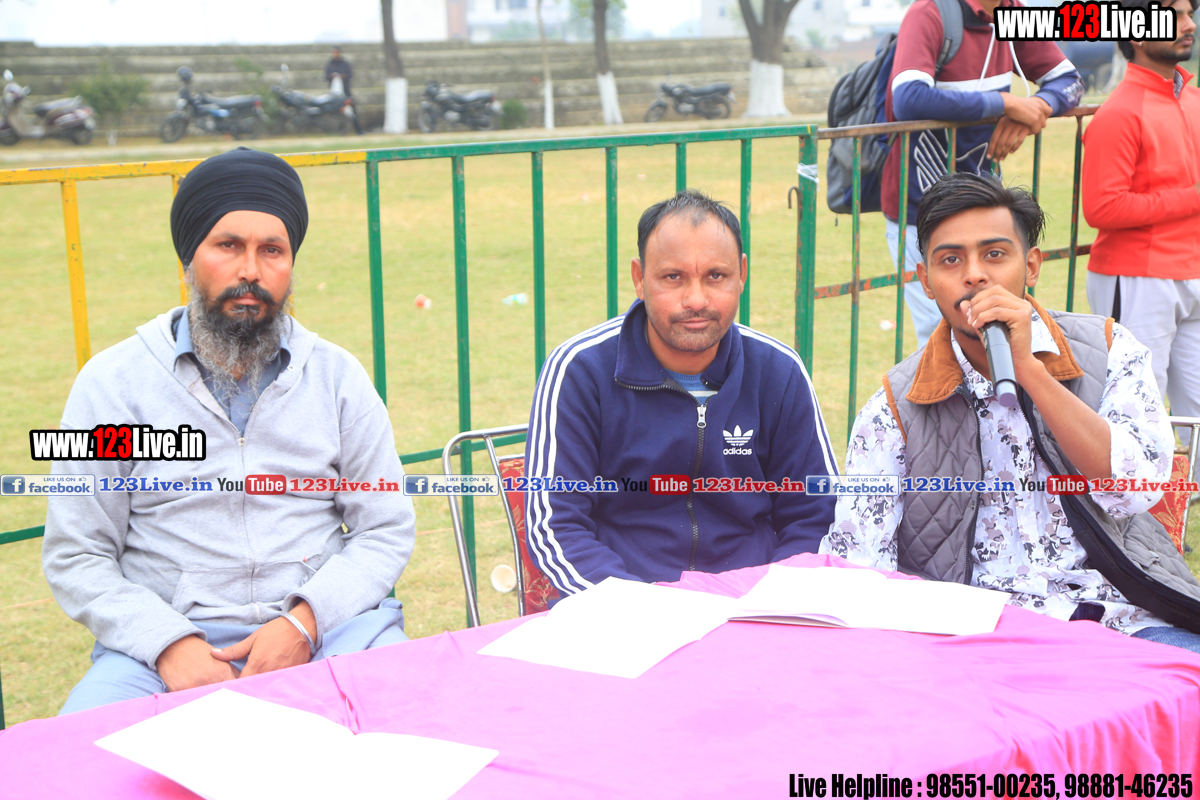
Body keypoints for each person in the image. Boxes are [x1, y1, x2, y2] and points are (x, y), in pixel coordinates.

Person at [43, 148, 416, 713]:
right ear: (189, 259)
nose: (251, 271)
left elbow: (384, 526)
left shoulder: (336, 377)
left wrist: (304, 623)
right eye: (228, 245)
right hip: (163, 652)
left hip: (332, 630)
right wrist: (168, 644)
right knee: (83, 754)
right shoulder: (113, 386)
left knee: (414, 726)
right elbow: (78, 552)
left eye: (272, 250)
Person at [821, 172, 1200, 652]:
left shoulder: (1108, 349)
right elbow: (860, 562)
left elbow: (1136, 489)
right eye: (950, 259)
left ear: (1032, 265)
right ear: (925, 280)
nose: (975, 274)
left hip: (1122, 618)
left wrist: (1032, 373)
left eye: (995, 254)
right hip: (976, 638)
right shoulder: (895, 407)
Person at [524, 190, 840, 597]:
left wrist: (768, 602)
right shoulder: (580, 370)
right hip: (622, 607)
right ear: (639, 279)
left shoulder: (779, 370)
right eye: (673, 277)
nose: (695, 300)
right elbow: (555, 524)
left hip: (754, 605)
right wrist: (639, 607)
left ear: (742, 274)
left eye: (716, 276)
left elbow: (816, 513)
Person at [882, 0, 1083, 350]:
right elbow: (909, 98)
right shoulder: (930, 12)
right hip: (921, 209)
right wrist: (1005, 103)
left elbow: (1070, 81)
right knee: (942, 332)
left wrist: (1037, 107)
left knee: (994, 321)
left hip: (986, 208)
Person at [1082, 0, 1200, 454]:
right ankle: (1131, 498)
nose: (1188, 24)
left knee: (1195, 414)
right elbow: (1102, 208)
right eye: (1174, 15)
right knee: (1136, 414)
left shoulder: (1192, 100)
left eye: (1189, 13)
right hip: (1138, 278)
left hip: (1190, 273)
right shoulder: (1119, 113)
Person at [324, 46, 365, 134]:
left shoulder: (345, 64)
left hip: (345, 91)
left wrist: (343, 76)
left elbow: (350, 75)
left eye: (337, 52)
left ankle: (359, 130)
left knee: (352, 110)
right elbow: (326, 76)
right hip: (335, 93)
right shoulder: (330, 64)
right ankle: (339, 131)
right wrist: (332, 77)